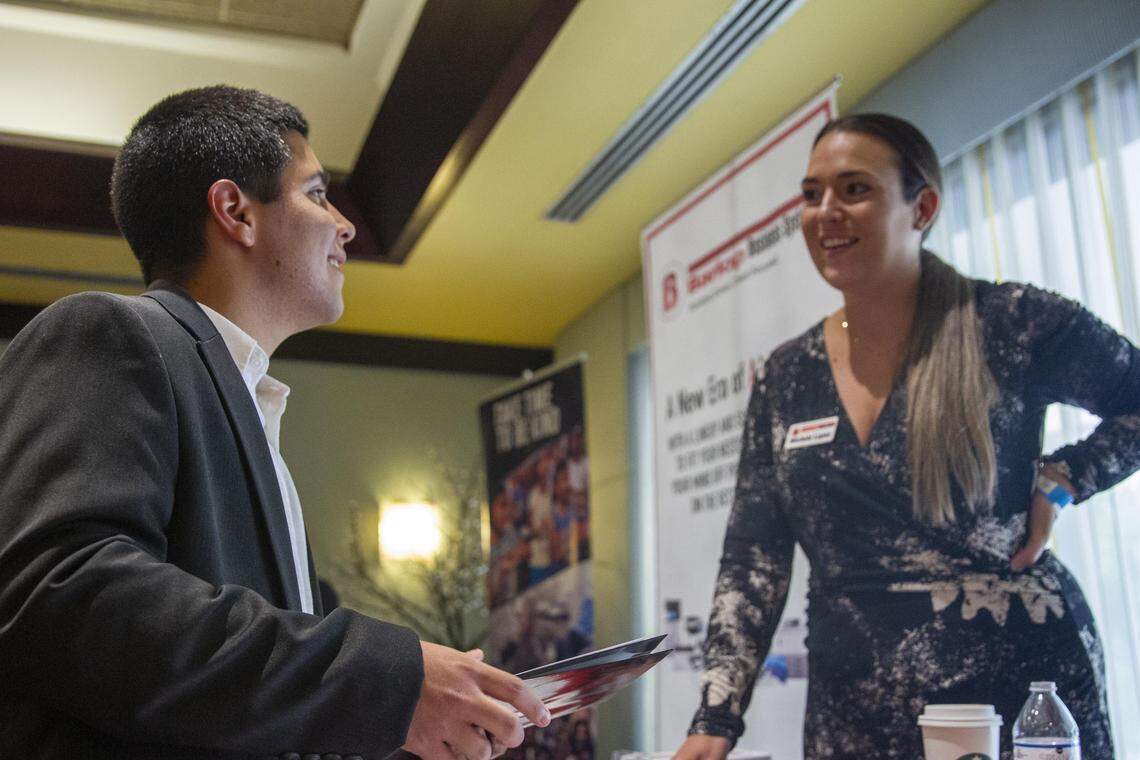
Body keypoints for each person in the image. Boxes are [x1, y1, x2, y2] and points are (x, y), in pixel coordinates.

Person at [0, 85, 549, 759]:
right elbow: (63, 594)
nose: (345, 225)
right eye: (317, 194)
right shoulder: (109, 330)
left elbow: (264, 702)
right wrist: (392, 683)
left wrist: (428, 719)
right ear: (236, 211)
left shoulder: (251, 413)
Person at [673, 114, 1139, 760]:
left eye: (853, 189)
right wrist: (715, 718)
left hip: (1016, 697)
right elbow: (754, 556)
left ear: (922, 208)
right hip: (855, 713)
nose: (825, 212)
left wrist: (1064, 480)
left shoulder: (1011, 323)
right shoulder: (785, 377)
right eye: (812, 195)